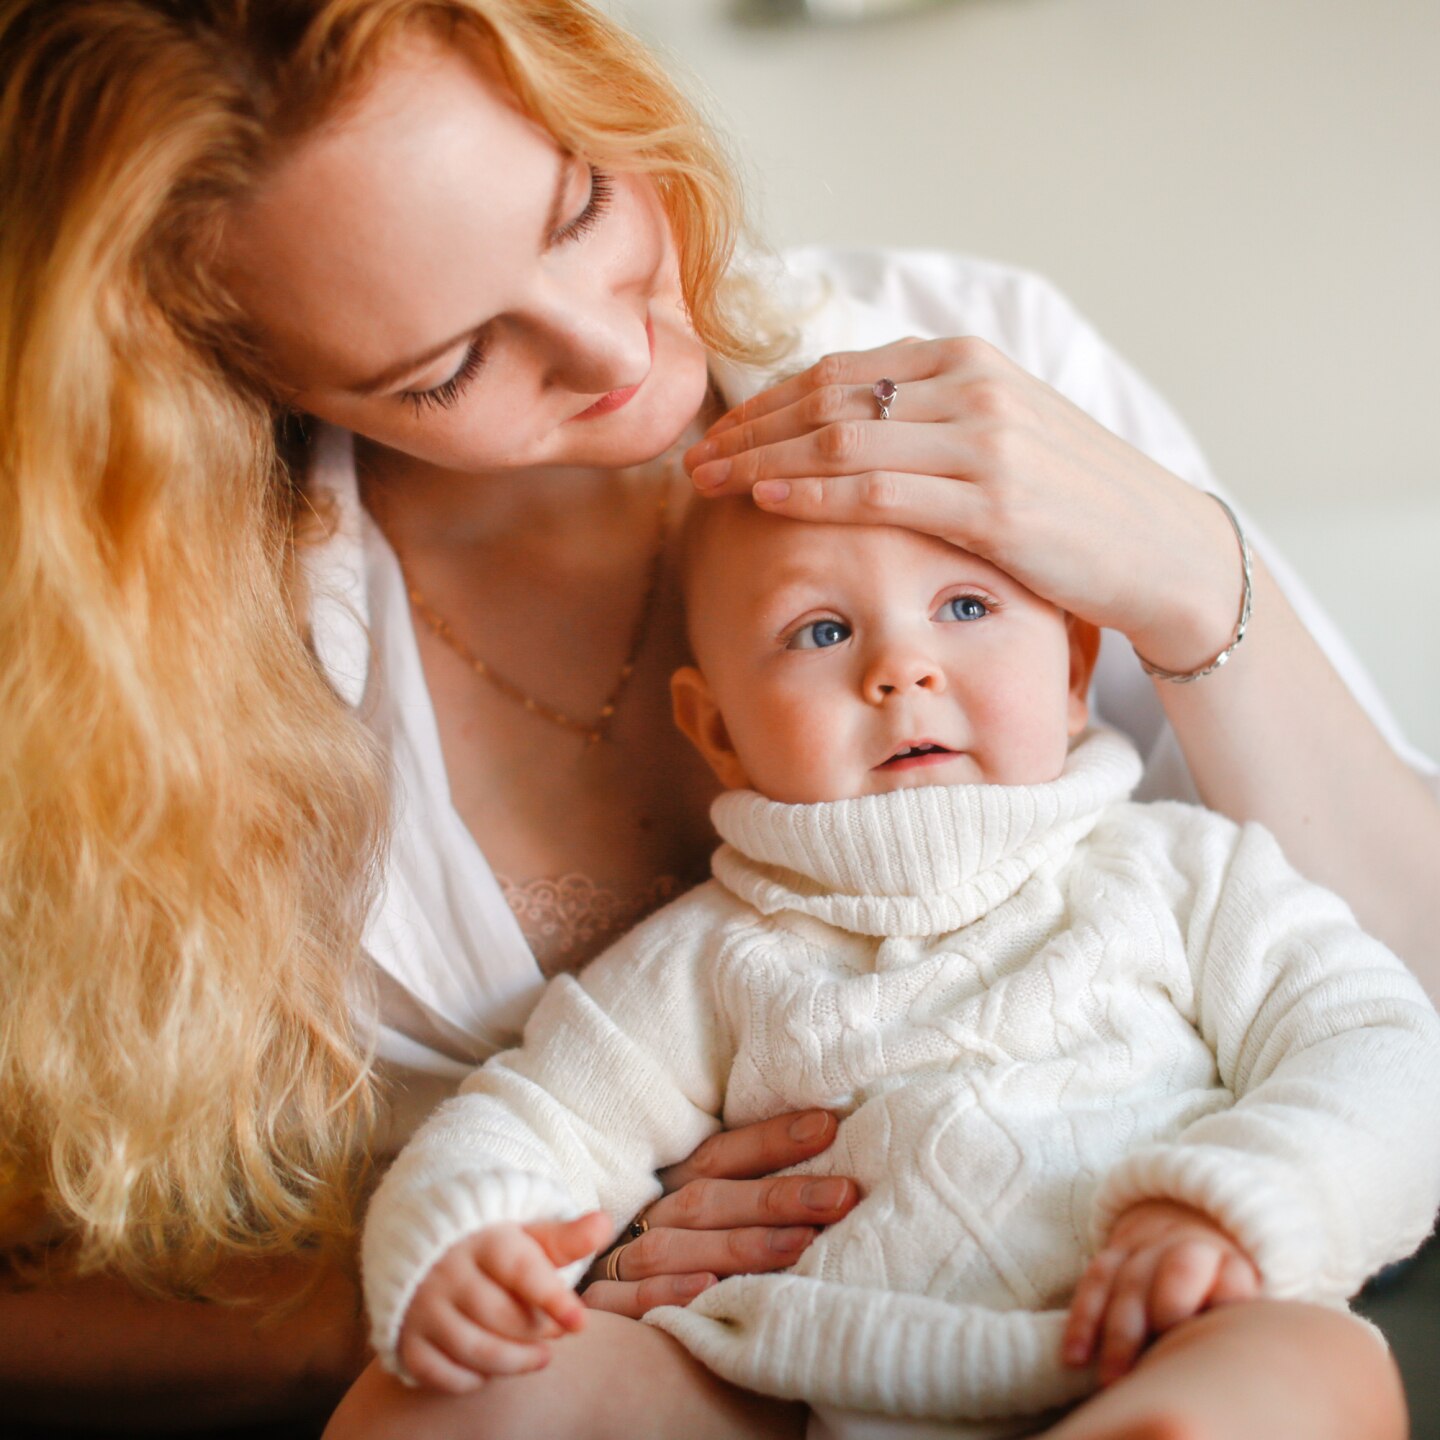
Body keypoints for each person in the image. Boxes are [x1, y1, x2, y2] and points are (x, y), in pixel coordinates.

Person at [0, 0, 1434, 1435]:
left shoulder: (977, 367)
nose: (606, 344)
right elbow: (541, 1120)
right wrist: (477, 1268)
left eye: (582, 208)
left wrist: (1192, 580)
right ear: (222, 381)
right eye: (447, 366)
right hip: (747, 1355)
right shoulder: (124, 664)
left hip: (1149, 1317)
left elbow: (1387, 1021)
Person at [350, 501, 1440, 1440]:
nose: (900, 668)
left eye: (964, 606)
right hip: (795, 1374)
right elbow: (542, 1116)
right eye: (821, 630)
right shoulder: (710, 950)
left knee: (1305, 1369)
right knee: (450, 1402)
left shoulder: (1183, 868)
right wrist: (474, 1238)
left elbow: (1377, 1048)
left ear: (1072, 670)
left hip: (1152, 1336)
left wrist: (1239, 1207)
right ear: (718, 730)